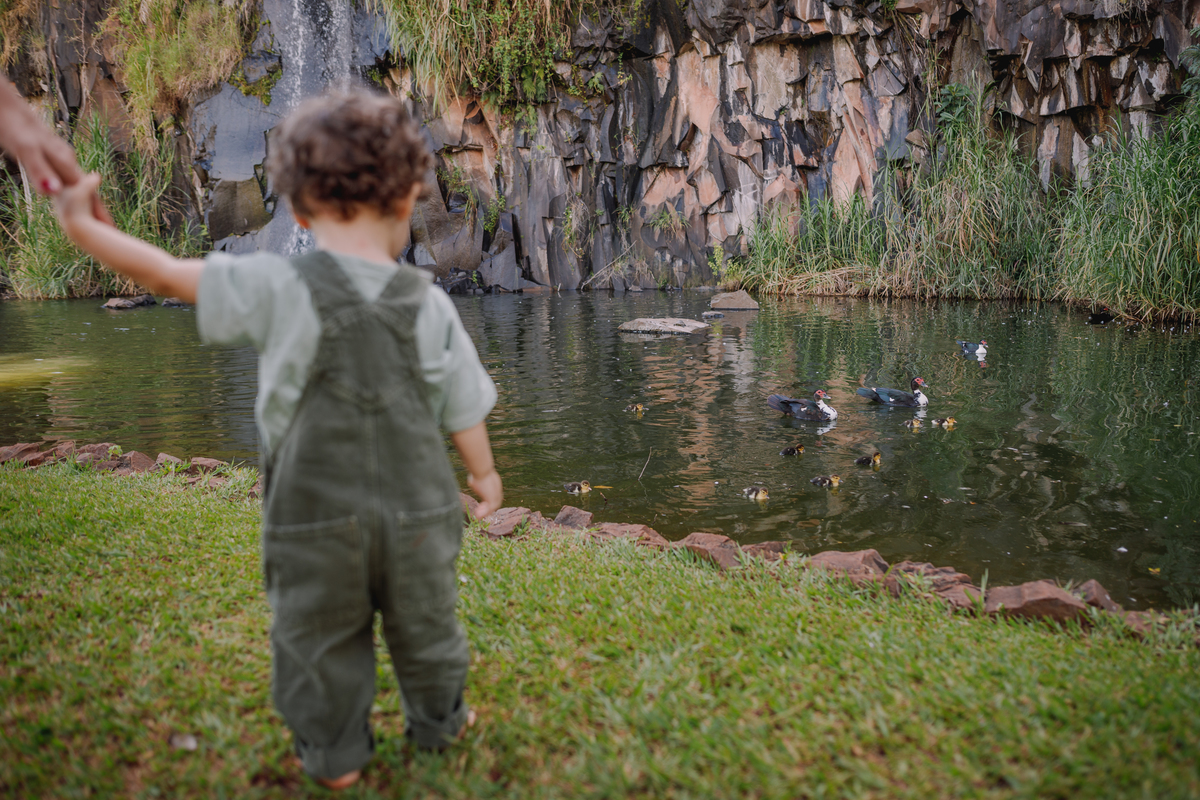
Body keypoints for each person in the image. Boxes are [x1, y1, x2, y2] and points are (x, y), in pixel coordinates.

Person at [54, 89, 502, 790]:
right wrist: (485, 477)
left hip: (312, 521)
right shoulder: (428, 303)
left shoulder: (276, 285)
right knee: (429, 629)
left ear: (295, 210)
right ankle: (441, 721)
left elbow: (168, 275)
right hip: (419, 516)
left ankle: (335, 757)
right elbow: (461, 407)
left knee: (320, 641)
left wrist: (87, 230)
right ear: (407, 198)